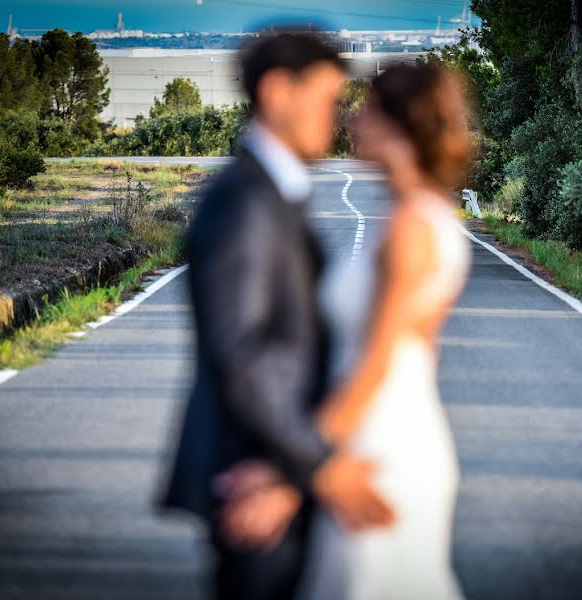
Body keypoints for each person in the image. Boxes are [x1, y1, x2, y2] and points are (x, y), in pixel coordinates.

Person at [221, 63, 474, 599]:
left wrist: (294, 474)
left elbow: (377, 363)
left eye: (367, 109)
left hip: (379, 445)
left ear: (397, 124)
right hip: (385, 429)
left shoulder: (411, 230)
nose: (351, 120)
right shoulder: (417, 217)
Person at [161, 31, 394, 600]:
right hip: (250, 473)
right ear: (276, 91)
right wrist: (317, 466)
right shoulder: (244, 201)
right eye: (325, 98)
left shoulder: (272, 193)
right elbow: (242, 352)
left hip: (276, 464)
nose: (336, 118)